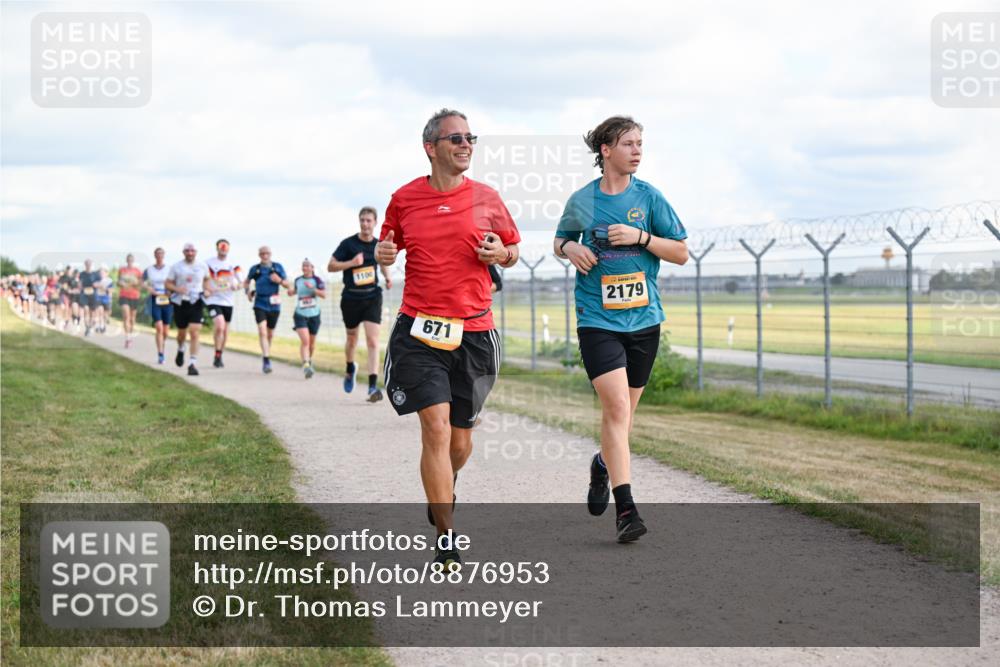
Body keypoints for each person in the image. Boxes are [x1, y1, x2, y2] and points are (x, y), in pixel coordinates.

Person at [376, 108, 521, 569]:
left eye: (470, 137)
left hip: (475, 333)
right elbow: (388, 243)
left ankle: (444, 486)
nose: (465, 144)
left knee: (460, 442)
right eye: (455, 138)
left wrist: (503, 252)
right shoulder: (403, 198)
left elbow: (512, 248)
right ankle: (446, 538)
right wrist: (383, 251)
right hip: (419, 329)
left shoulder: (487, 198)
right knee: (434, 428)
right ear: (431, 147)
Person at [553, 115, 688, 543]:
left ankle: (601, 463)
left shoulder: (649, 199)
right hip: (597, 321)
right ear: (605, 150)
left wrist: (641, 238)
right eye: (629, 143)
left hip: (644, 321)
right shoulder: (582, 200)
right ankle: (626, 510)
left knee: (623, 421)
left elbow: (682, 252)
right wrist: (571, 247)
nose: (637, 150)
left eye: (641, 143)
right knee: (615, 411)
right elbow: (558, 240)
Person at [329, 206, 393, 401]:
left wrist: (387, 277)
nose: (365, 224)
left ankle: (373, 387)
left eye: (369, 220)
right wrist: (351, 263)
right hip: (350, 298)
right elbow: (331, 266)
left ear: (375, 223)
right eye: (362, 220)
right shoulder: (348, 244)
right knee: (352, 339)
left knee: (373, 340)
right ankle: (350, 368)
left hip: (372, 296)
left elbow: (382, 263)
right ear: (359, 222)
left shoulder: (377, 244)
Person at [165, 243, 209, 376]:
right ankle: (181, 348)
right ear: (183, 252)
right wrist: (178, 289)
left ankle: (192, 363)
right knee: (181, 333)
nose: (190, 253)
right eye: (187, 251)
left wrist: (206, 289)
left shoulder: (202, 266)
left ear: (196, 252)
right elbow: (167, 283)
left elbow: (207, 279)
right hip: (180, 302)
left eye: (192, 251)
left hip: (196, 301)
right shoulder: (176, 266)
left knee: (195, 332)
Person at [243, 246, 288, 374]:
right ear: (259, 255)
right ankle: (266, 360)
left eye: (267, 253)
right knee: (262, 331)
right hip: (260, 303)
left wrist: (279, 280)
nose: (265, 255)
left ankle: (266, 352)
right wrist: (248, 292)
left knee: (270, 334)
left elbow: (287, 284)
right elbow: (246, 282)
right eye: (262, 253)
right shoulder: (255, 269)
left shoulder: (278, 267)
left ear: (270, 254)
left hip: (274, 304)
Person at [204, 239, 243, 368]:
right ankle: (217, 353)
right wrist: (205, 289)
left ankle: (219, 354)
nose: (223, 249)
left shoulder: (234, 264)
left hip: (228, 301)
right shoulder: (208, 263)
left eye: (226, 247)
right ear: (217, 248)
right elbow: (202, 279)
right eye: (221, 247)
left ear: (228, 249)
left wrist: (237, 286)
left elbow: (242, 282)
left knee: (225, 331)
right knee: (220, 325)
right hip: (213, 300)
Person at [288, 259, 327, 379]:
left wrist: (312, 288)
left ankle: (308, 361)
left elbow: (324, 295)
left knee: (311, 343)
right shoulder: (298, 280)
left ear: (312, 268)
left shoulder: (317, 280)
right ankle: (305, 365)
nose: (304, 268)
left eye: (307, 266)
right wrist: (291, 292)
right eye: (303, 266)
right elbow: (294, 291)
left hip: (314, 315)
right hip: (300, 314)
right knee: (305, 341)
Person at [144, 248, 173, 364]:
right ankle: (160, 354)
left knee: (166, 331)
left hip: (167, 299)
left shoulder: (169, 269)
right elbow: (142, 281)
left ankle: (162, 343)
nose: (159, 256)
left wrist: (170, 291)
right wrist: (149, 289)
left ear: (164, 255)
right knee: (159, 327)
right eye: (157, 254)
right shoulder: (149, 270)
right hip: (155, 299)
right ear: (154, 255)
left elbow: (175, 282)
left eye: (161, 254)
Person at [117, 254, 143, 348]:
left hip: (134, 296)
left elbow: (140, 284)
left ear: (133, 261)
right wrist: (121, 283)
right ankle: (127, 338)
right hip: (124, 295)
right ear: (126, 260)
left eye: (131, 260)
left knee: (132, 319)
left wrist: (136, 283)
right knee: (126, 316)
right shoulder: (122, 270)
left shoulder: (138, 271)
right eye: (128, 260)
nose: (130, 261)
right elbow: (118, 282)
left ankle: (130, 336)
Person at [78, 259, 99, 336]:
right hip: (84, 294)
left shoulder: (96, 274)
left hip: (93, 295)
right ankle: (87, 327)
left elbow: (100, 283)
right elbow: (80, 283)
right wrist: (79, 286)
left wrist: (97, 284)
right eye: (87, 264)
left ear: (91, 264)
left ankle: (90, 326)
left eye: (89, 264)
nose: (88, 265)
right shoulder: (82, 274)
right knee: (86, 310)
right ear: (85, 265)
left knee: (92, 312)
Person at [94, 267, 114, 333]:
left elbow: (111, 290)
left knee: (105, 314)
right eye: (100, 273)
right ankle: (100, 326)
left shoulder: (109, 281)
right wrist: (99, 285)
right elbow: (94, 285)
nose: (101, 274)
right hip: (98, 297)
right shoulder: (97, 279)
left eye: (103, 273)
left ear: (106, 273)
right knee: (100, 311)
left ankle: (103, 325)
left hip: (106, 298)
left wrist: (105, 289)